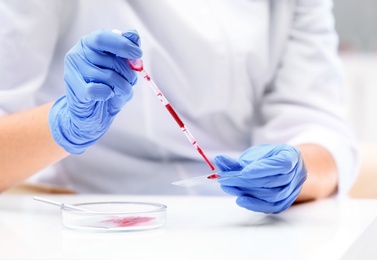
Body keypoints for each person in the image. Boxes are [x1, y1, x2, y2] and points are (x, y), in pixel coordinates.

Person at [0, 0, 358, 214]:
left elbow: (319, 122)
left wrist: (297, 171)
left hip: (238, 218)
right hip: (89, 215)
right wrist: (63, 125)